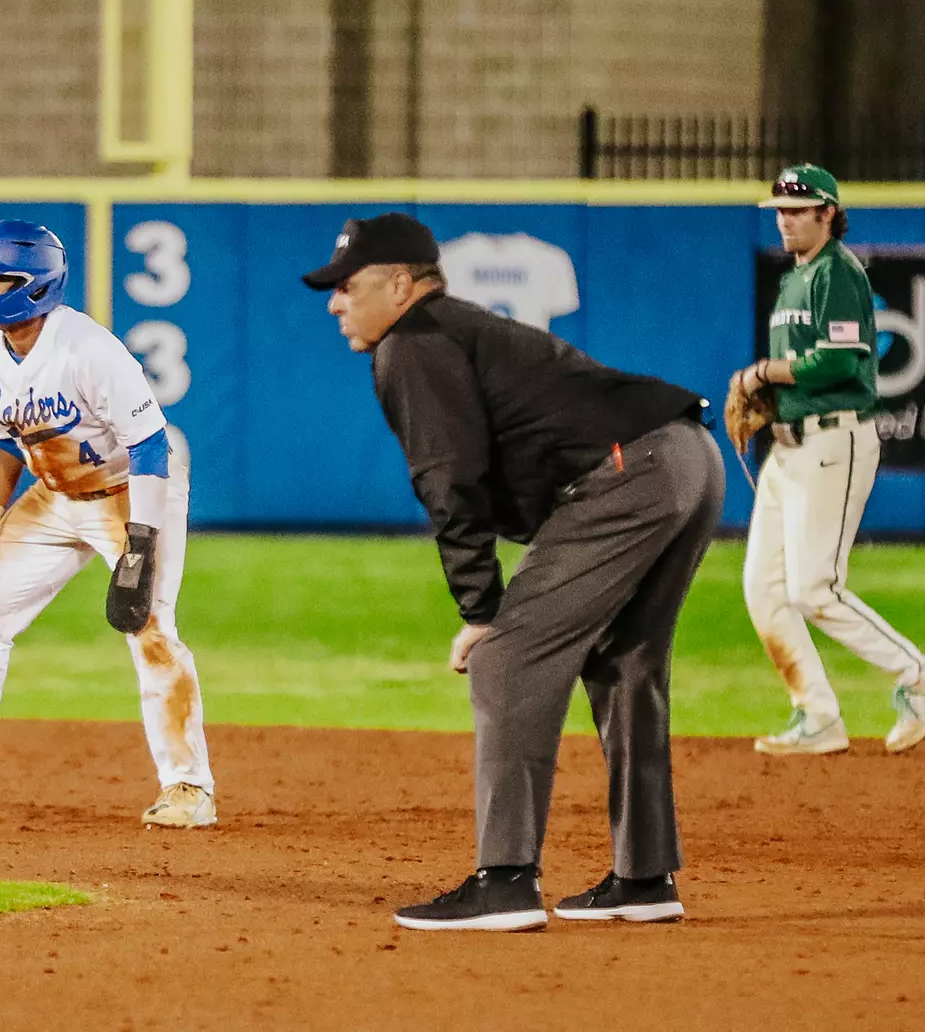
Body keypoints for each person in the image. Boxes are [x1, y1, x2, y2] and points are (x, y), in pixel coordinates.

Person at [303, 213, 725, 932]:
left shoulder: (413, 343)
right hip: (685, 459)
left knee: (505, 659)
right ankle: (643, 877)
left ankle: (504, 881)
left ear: (401, 284)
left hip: (630, 473)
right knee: (624, 663)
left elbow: (449, 478)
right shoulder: (448, 330)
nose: (335, 301)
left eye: (348, 285)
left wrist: (480, 611)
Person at [0, 219, 216, 828]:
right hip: (56, 494)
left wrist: (140, 547)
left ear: (34, 285)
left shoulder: (87, 350)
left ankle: (189, 787)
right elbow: (2, 440)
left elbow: (147, 447)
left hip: (132, 494)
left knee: (150, 626)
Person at [737, 165, 925, 757]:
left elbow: (837, 362)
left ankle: (923, 679)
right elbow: (803, 370)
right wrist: (771, 401)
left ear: (828, 213)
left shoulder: (837, 272)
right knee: (764, 588)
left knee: (815, 588)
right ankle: (818, 714)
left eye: (798, 209)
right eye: (780, 210)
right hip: (790, 449)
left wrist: (764, 372)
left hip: (834, 444)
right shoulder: (795, 278)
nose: (784, 219)